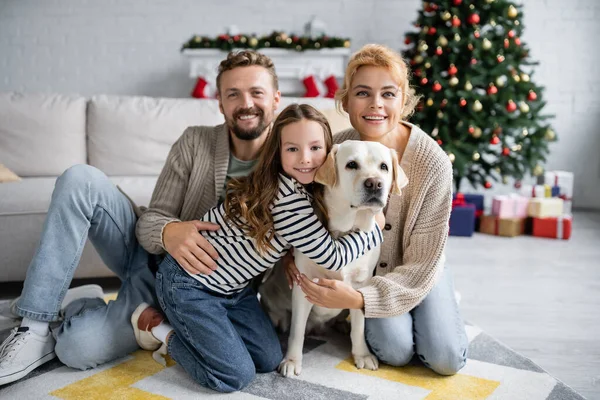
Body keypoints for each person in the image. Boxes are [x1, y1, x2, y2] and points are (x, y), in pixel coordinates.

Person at [0, 49, 282, 386]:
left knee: (77, 349)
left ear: (276, 98)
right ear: (220, 103)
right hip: (147, 257)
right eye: (233, 94)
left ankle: (76, 304)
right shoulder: (195, 141)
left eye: (256, 92)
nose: (245, 103)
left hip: (202, 295)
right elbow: (151, 221)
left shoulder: (292, 158)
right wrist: (170, 231)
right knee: (80, 179)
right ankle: (33, 325)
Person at [132, 104, 385, 393]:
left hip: (235, 291)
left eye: (315, 148)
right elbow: (332, 256)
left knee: (268, 358)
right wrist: (374, 225)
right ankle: (158, 327)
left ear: (329, 153)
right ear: (277, 152)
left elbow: (302, 240)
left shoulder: (307, 189)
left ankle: (210, 332)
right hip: (190, 284)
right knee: (234, 375)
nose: (305, 158)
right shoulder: (288, 199)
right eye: (292, 149)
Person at [285, 44, 469, 376]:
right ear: (346, 101)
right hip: (363, 272)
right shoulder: (336, 148)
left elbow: (423, 264)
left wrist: (357, 300)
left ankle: (438, 304)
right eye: (362, 93)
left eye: (388, 93)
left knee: (445, 358)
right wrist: (290, 255)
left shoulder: (433, 164)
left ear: (404, 101)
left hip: (418, 266)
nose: (375, 105)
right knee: (395, 350)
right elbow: (294, 198)